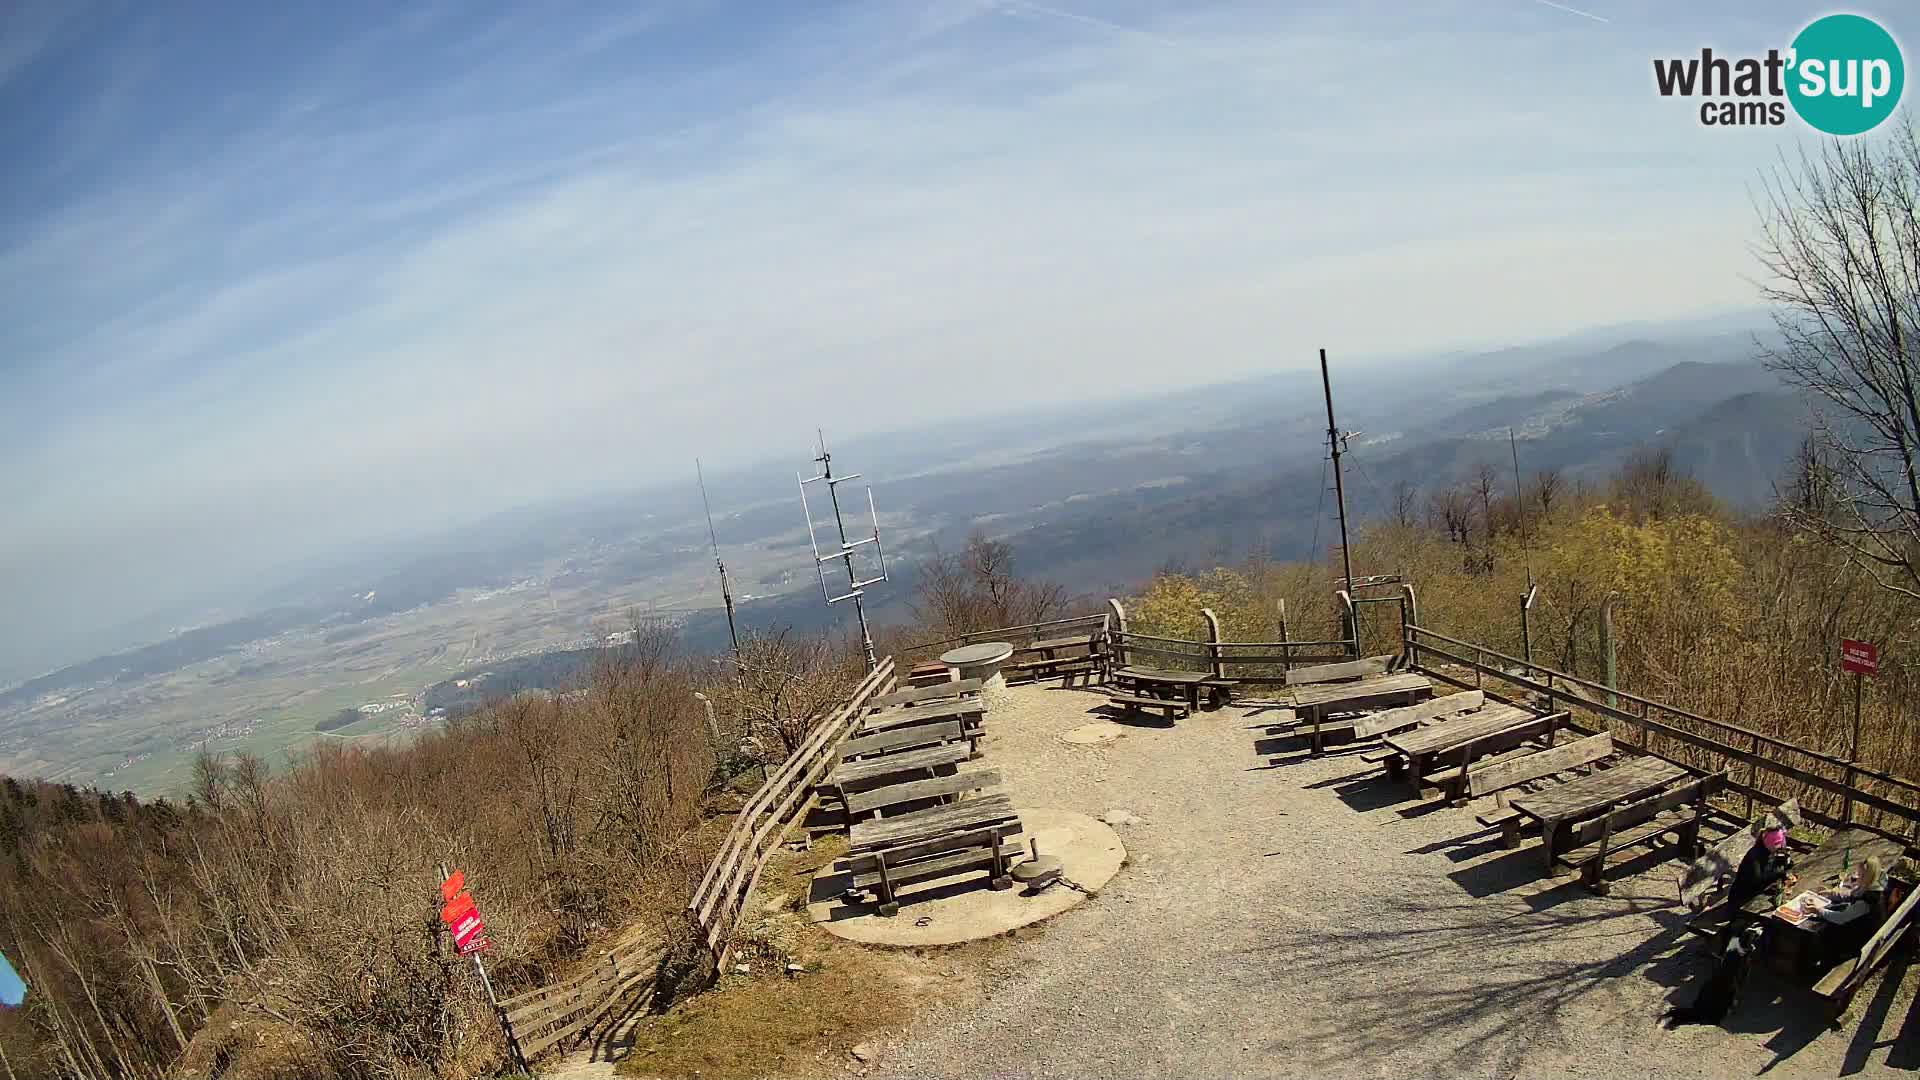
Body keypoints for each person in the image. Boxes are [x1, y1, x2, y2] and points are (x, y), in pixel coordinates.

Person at [1713, 825, 1793, 948]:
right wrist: (1779, 874)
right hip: (1742, 899)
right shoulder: (1755, 856)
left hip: (1758, 893)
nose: (1778, 848)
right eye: (1776, 845)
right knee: (1769, 917)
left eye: (1780, 845)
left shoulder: (1772, 851)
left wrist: (1786, 863)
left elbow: (1778, 865)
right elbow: (1758, 880)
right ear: (1768, 844)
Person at [1825, 855, 1889, 960]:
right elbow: (1853, 894)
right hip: (1864, 929)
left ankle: (1826, 962)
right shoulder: (1875, 884)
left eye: (1860, 875)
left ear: (1868, 877)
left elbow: (1840, 918)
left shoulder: (1868, 900)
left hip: (1861, 940)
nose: (1855, 877)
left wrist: (1817, 910)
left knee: (1826, 929)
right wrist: (1831, 893)